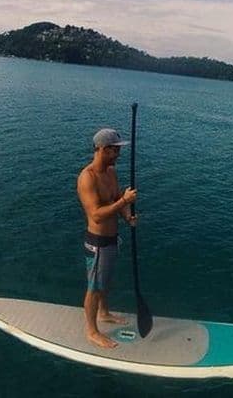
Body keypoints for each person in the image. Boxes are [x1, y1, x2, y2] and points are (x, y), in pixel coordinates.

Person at [77, 128, 138, 349]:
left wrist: (127, 216)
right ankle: (92, 331)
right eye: (115, 150)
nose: (119, 154)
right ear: (103, 149)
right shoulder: (87, 178)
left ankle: (104, 313)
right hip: (97, 243)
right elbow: (96, 215)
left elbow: (115, 199)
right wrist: (124, 201)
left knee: (105, 281)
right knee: (94, 287)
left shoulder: (111, 172)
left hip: (113, 239)